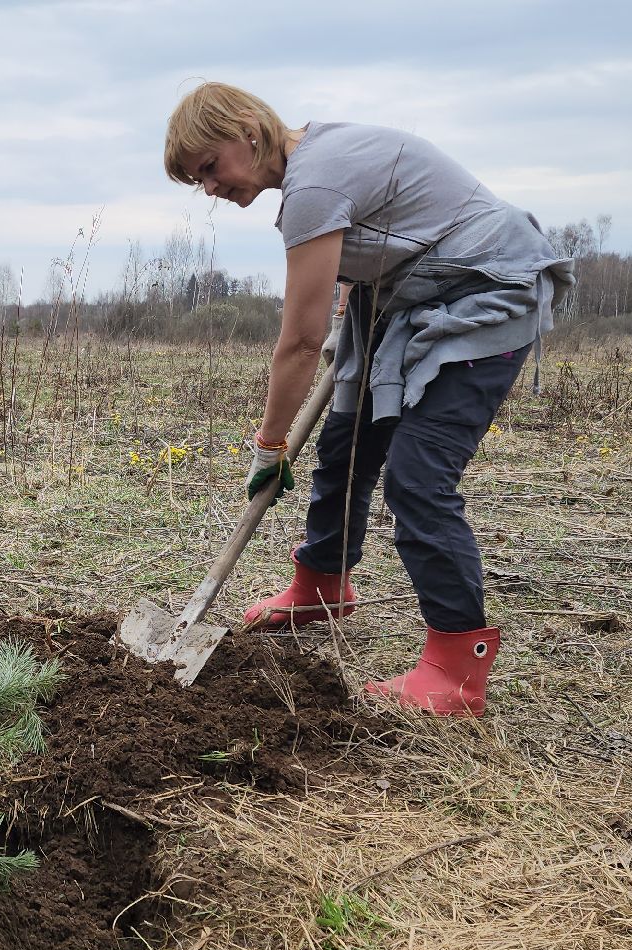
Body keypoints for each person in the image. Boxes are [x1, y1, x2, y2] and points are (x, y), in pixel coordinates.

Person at [163, 82, 574, 718]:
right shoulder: (312, 169)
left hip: (487, 290)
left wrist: (269, 445)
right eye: (198, 181)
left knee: (418, 477)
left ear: (247, 129)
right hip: (409, 298)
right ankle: (321, 585)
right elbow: (390, 232)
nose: (211, 189)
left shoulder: (314, 186)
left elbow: (300, 342)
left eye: (210, 167)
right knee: (345, 443)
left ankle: (458, 666)